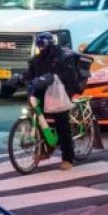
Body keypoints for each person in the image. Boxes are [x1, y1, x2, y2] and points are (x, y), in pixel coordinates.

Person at [24, 32, 79, 170]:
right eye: (38, 44)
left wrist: (52, 77)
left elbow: (68, 74)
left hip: (60, 91)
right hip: (43, 91)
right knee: (37, 117)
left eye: (43, 44)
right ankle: (45, 149)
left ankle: (68, 158)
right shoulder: (36, 60)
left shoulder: (62, 57)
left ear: (50, 43)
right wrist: (19, 79)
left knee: (62, 122)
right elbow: (30, 75)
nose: (41, 47)